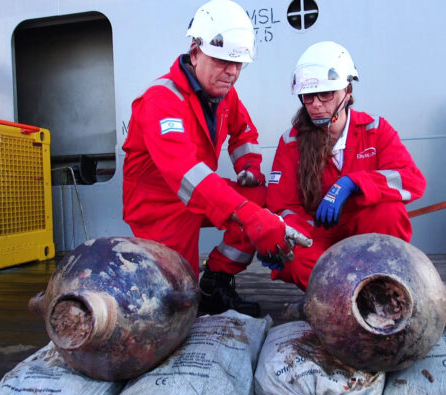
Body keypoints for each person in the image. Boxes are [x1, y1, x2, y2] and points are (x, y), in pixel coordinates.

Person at [122, 0, 300, 317]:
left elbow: (244, 132)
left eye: (238, 63)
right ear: (195, 52)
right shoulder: (161, 100)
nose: (232, 71)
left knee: (260, 195)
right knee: (178, 301)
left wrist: (249, 169)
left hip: (201, 192)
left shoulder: (223, 93)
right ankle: (192, 291)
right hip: (160, 206)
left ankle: (216, 281)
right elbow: (185, 174)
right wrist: (250, 216)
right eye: (221, 61)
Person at [265, 41, 427, 291]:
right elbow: (282, 206)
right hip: (317, 234)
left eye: (326, 94)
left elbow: (411, 181)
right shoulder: (291, 142)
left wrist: (353, 184)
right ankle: (357, 296)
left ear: (347, 92)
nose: (316, 103)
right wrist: (298, 235)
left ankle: (375, 284)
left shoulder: (375, 130)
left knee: (390, 212)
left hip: (365, 230)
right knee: (294, 259)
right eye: (308, 96)